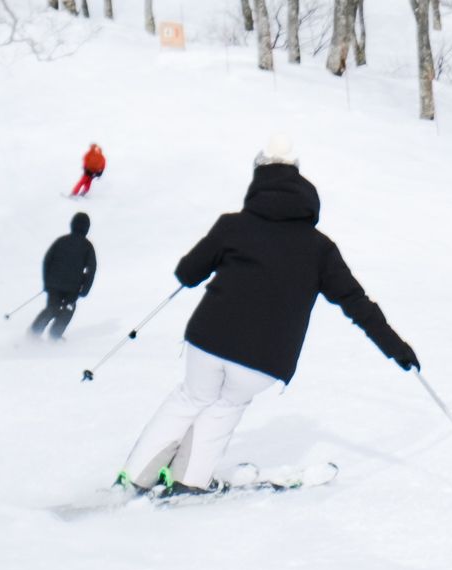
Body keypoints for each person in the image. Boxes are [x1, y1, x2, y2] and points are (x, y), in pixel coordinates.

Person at [123, 138, 418, 491]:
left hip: (208, 339)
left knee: (190, 397)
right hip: (263, 359)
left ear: (257, 180)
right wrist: (395, 347)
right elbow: (356, 304)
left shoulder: (232, 225)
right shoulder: (320, 248)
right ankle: (189, 481)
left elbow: (188, 273)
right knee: (227, 405)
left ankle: (135, 477)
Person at [32, 212, 96, 339]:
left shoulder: (61, 241)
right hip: (73, 288)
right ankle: (54, 336)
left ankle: (34, 333)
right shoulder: (87, 246)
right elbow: (91, 270)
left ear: (72, 225)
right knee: (67, 311)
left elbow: (47, 261)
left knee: (52, 308)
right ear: (87, 228)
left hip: (54, 284)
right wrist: (85, 290)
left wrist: (46, 282)